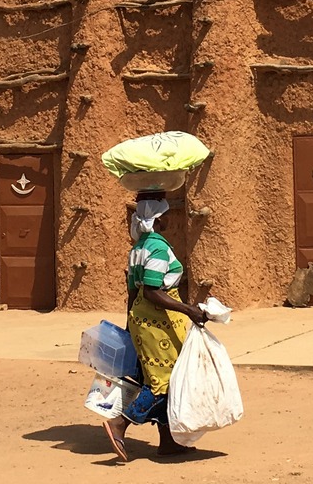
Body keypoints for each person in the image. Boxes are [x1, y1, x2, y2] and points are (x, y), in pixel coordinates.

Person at [104, 191, 206, 461]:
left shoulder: (138, 248)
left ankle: (168, 441)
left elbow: (133, 292)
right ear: (159, 219)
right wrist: (189, 310)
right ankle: (120, 423)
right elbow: (151, 291)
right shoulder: (158, 248)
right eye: (166, 214)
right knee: (163, 381)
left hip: (143, 321)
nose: (170, 218)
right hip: (158, 323)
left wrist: (129, 327)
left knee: (164, 377)